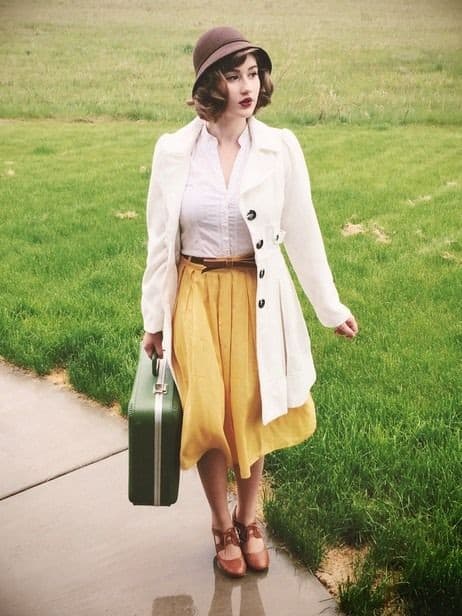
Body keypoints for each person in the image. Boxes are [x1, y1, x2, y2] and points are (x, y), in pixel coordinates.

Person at [141, 26, 358, 579]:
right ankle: (220, 523)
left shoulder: (279, 147)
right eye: (233, 75)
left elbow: (303, 231)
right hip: (195, 296)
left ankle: (251, 516)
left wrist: (330, 308)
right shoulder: (174, 150)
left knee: (251, 413)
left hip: (257, 295)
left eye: (254, 74)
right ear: (208, 84)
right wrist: (153, 320)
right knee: (210, 416)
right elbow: (161, 243)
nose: (247, 86)